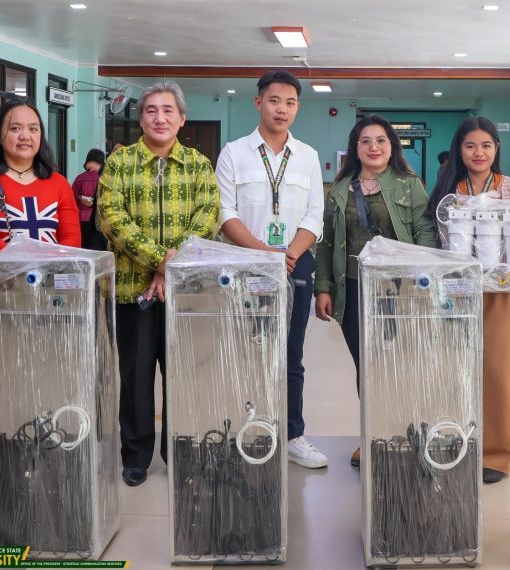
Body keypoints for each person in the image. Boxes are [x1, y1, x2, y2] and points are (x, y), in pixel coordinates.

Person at [98, 81, 219, 487]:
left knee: (182, 375)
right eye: (151, 110)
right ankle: (135, 456)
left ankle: (178, 452)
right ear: (141, 119)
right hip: (132, 291)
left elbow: (207, 219)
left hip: (186, 293)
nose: (160, 118)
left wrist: (170, 268)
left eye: (168, 110)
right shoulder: (120, 163)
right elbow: (111, 219)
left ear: (182, 119)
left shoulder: (199, 165)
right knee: (135, 377)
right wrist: (161, 261)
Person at [215, 70, 327, 469]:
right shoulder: (234, 153)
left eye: (290, 102)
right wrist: (265, 254)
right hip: (246, 264)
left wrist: (288, 253)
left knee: (291, 353)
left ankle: (293, 434)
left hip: (295, 262)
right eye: (275, 100)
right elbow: (225, 213)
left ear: (297, 108)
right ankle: (246, 430)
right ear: (258, 102)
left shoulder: (308, 156)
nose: (282, 109)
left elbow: (315, 214)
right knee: (246, 351)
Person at [314, 115, 438, 467]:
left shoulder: (409, 184)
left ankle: (407, 432)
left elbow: (424, 231)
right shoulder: (340, 190)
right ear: (355, 148)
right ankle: (372, 437)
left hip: (399, 289)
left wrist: (423, 275)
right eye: (366, 141)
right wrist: (323, 287)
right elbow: (326, 243)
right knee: (366, 365)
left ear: (391, 146)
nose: (374, 147)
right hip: (353, 290)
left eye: (381, 140)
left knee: (401, 363)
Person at [0, 99, 81, 452]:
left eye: (33, 129)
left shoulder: (58, 183)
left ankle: (42, 448)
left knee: (45, 372)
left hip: (51, 298)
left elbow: (70, 239)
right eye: (15, 128)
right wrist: (35, 271)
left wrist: (48, 276)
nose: (25, 136)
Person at [429, 116, 510, 484]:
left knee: (498, 372)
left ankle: (496, 455)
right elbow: (437, 239)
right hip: (458, 290)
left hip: (503, 293)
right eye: (470, 145)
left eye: (486, 145)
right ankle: (456, 441)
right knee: (456, 369)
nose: (479, 152)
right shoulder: (449, 189)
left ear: (496, 148)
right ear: (459, 150)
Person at [72, 148, 107, 251]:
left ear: (91, 161)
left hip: (82, 218)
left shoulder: (80, 178)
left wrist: (80, 198)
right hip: (100, 222)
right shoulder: (106, 178)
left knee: (83, 248)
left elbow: (72, 198)